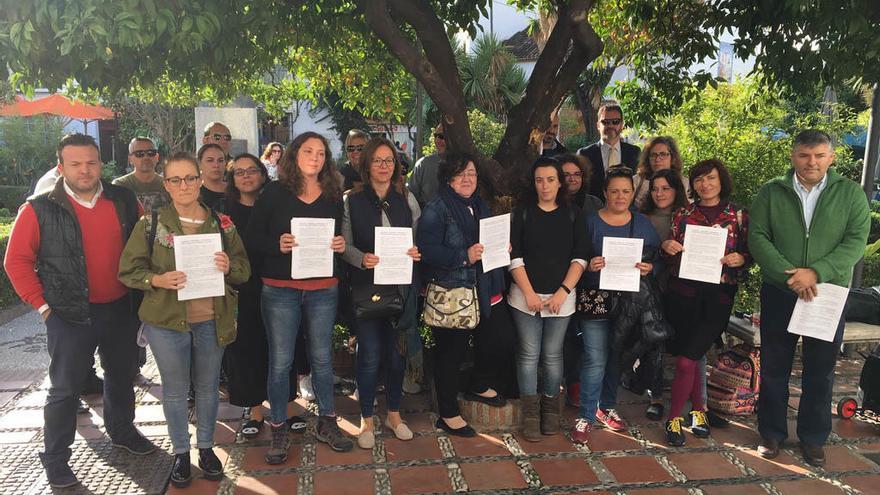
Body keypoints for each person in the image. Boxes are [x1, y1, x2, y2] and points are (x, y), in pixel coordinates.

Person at [4, 134, 155, 488]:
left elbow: (146, 244)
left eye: (91, 162)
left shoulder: (123, 200)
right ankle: (56, 458)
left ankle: (122, 430)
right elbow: (17, 262)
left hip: (120, 308)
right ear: (61, 168)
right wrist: (43, 309)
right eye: (75, 164)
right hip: (68, 315)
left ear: (101, 164)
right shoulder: (38, 208)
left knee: (121, 376)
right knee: (64, 390)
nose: (85, 170)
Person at [118, 152, 250, 488]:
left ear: (200, 180)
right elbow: (128, 271)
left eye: (190, 178)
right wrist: (158, 280)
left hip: (211, 319)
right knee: (175, 392)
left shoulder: (222, 224)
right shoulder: (151, 224)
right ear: (166, 184)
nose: (184, 185)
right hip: (166, 322)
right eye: (175, 179)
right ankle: (180, 454)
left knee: (208, 389)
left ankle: (206, 448)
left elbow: (243, 271)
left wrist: (227, 268)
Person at [750, 129, 870, 467]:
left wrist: (816, 272)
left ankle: (813, 437)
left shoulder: (850, 194)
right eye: (804, 155)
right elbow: (758, 237)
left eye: (819, 155)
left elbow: (855, 241)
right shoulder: (772, 192)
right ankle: (771, 433)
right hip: (780, 290)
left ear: (831, 157)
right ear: (793, 156)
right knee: (775, 367)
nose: (811, 162)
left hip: (826, 293)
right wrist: (792, 276)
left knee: (821, 369)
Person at [246, 131, 354, 462]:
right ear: (295, 155)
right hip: (280, 288)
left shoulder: (334, 194)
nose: (315, 158)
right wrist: (275, 245)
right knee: (281, 360)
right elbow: (251, 238)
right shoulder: (275, 193)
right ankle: (278, 426)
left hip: (323, 288)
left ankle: (327, 421)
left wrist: (338, 245)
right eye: (308, 151)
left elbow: (336, 238)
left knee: (322, 359)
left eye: (321, 153)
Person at [417, 153, 509, 437]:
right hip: (453, 291)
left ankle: (478, 384)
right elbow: (427, 250)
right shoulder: (437, 208)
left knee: (497, 339)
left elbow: (488, 242)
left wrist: (501, 248)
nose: (467, 179)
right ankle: (448, 413)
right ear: (448, 178)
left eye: (471, 173)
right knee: (451, 353)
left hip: (485, 289)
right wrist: (464, 256)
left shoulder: (480, 205)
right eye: (460, 174)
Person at [660, 159, 749, 446]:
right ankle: (698, 412)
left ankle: (673, 418)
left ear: (721, 180)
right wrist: (666, 247)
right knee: (692, 355)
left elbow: (750, 254)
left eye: (710, 178)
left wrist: (742, 259)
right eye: (699, 179)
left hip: (718, 298)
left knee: (687, 359)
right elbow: (670, 252)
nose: (705, 184)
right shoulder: (683, 213)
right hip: (683, 295)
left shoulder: (738, 215)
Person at [341, 137, 421, 449]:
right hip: (366, 289)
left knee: (396, 354)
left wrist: (416, 252)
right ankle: (366, 420)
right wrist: (361, 258)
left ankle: (394, 415)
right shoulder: (351, 200)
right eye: (378, 160)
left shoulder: (406, 196)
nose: (384, 166)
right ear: (366, 165)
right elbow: (344, 244)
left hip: (399, 287)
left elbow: (417, 236)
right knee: (370, 354)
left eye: (390, 160)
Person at [221, 154, 309, 440]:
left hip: (278, 281)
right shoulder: (224, 212)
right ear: (232, 179)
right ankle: (255, 408)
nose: (246, 176)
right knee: (247, 346)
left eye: (252, 171)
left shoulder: (277, 202)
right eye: (239, 172)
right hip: (241, 288)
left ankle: (285, 402)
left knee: (283, 345)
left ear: (263, 173)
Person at [571, 167, 659, 444]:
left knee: (615, 356)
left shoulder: (642, 223)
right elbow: (575, 257)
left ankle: (606, 406)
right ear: (605, 193)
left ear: (632, 193)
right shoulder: (590, 222)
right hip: (595, 299)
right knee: (594, 357)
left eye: (625, 191)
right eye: (614, 191)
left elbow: (656, 259)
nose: (620, 196)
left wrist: (649, 267)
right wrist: (589, 266)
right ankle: (585, 415)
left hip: (628, 302)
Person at [509, 157, 589, 442]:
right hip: (524, 298)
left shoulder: (573, 214)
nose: (545, 185)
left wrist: (563, 292)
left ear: (560, 182)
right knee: (529, 356)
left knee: (553, 356)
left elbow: (581, 257)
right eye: (539, 180)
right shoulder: (522, 213)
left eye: (551, 179)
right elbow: (514, 255)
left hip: (561, 299)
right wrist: (529, 293)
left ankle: (550, 410)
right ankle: (531, 414)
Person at [628, 169, 689, 419]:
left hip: (679, 287)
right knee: (653, 341)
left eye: (665, 188)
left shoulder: (687, 217)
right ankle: (656, 396)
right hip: (648, 288)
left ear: (677, 190)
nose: (659, 193)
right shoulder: (641, 218)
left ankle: (699, 403)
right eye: (654, 188)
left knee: (683, 345)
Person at [577, 103, 641, 199]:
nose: (610, 125)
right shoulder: (584, 154)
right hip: (595, 210)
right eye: (605, 122)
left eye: (615, 121)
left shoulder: (634, 152)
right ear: (598, 125)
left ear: (622, 125)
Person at [112, 136, 169, 213]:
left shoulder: (168, 184)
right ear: (130, 159)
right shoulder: (120, 185)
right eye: (139, 154)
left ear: (157, 157)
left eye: (150, 153)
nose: (146, 157)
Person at [633, 136, 689, 209]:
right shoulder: (637, 181)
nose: (657, 159)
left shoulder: (684, 182)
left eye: (663, 154)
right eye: (653, 155)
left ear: (673, 157)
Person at [407, 123, 447, 206]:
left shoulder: (466, 165)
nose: (437, 140)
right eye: (435, 135)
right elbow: (411, 196)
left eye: (442, 136)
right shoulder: (423, 164)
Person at [198, 143, 227, 210]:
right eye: (210, 160)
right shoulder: (194, 194)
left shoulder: (236, 190)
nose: (216, 165)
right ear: (199, 164)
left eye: (220, 160)